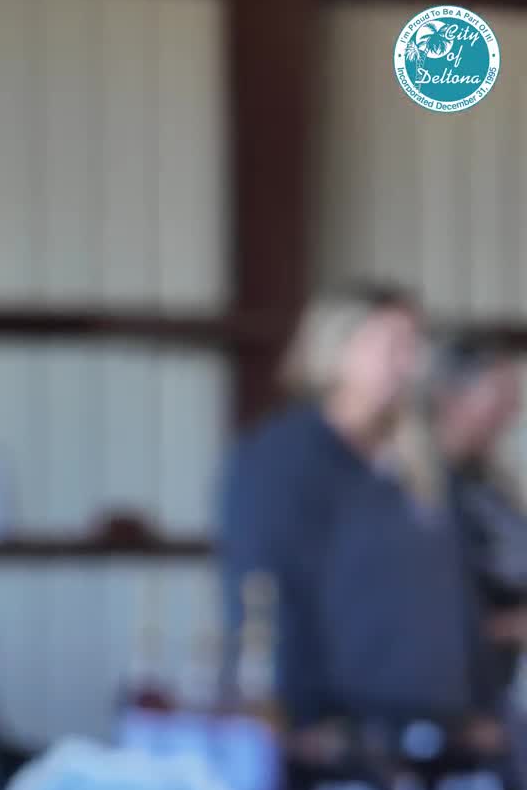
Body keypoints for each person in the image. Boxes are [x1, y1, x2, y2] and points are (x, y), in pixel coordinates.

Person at [215, 281, 490, 735]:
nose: (409, 363)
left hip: (438, 722)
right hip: (341, 728)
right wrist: (298, 715)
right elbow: (263, 590)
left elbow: (458, 588)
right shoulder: (281, 460)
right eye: (392, 345)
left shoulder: (420, 461)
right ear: (336, 349)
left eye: (414, 346)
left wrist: (479, 702)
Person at [429, 334, 527, 728]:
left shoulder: (490, 483)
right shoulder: (425, 488)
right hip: (458, 699)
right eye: (499, 395)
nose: (513, 409)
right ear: (453, 396)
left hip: (505, 687)